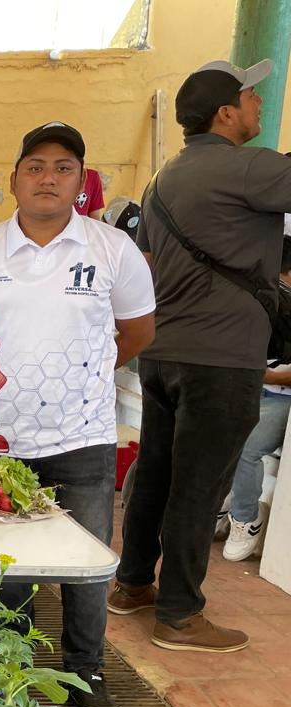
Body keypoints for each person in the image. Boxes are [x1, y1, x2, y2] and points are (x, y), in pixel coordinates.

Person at [0, 121, 156, 707]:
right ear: (14, 181)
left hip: (81, 439)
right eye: (35, 167)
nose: (48, 178)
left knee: (85, 567)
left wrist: (85, 373)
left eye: (62, 167)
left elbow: (137, 331)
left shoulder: (113, 250)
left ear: (80, 181)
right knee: (0, 565)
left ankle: (88, 676)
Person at [110, 59, 291, 653]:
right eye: (251, 96)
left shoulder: (162, 179)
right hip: (222, 356)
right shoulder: (247, 169)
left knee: (157, 473)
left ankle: (132, 584)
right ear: (225, 112)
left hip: (164, 351)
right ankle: (180, 614)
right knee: (200, 484)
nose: (261, 106)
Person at [219, 236, 291, 561]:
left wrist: (267, 375)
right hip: (253, 388)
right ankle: (219, 510)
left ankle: (245, 520)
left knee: (247, 449)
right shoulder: (261, 297)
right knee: (215, 435)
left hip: (281, 398)